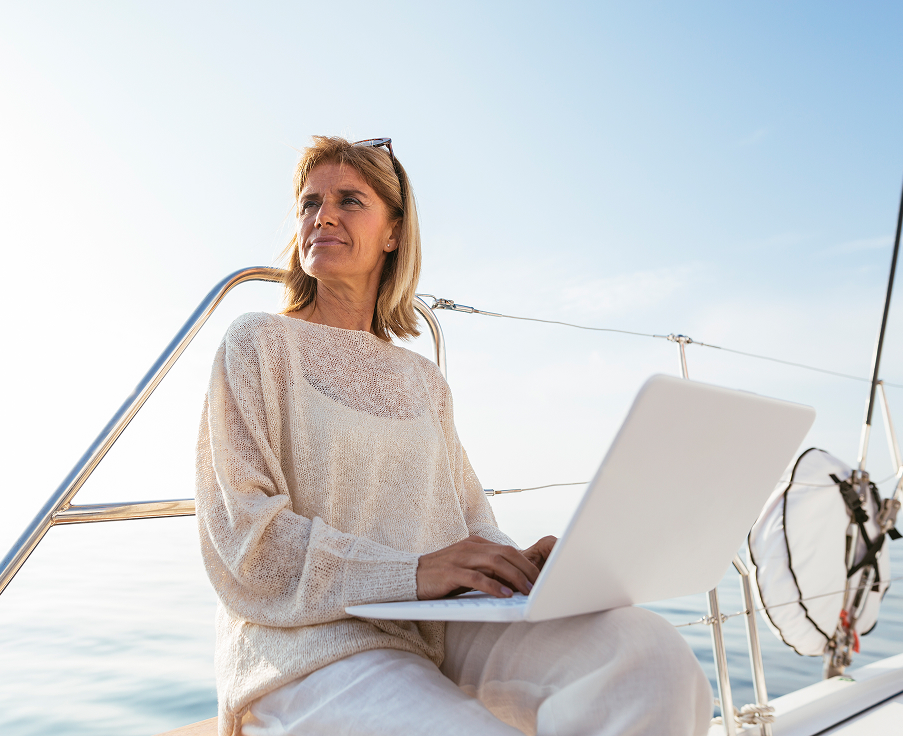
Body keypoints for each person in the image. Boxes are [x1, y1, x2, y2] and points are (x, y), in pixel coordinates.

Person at [195, 136, 712, 736]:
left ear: (394, 232)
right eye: (310, 203)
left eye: (349, 200)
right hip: (307, 645)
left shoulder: (422, 378)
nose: (322, 215)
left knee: (649, 655)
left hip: (435, 622)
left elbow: (466, 520)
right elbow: (246, 545)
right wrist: (413, 571)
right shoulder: (257, 344)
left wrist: (519, 565)